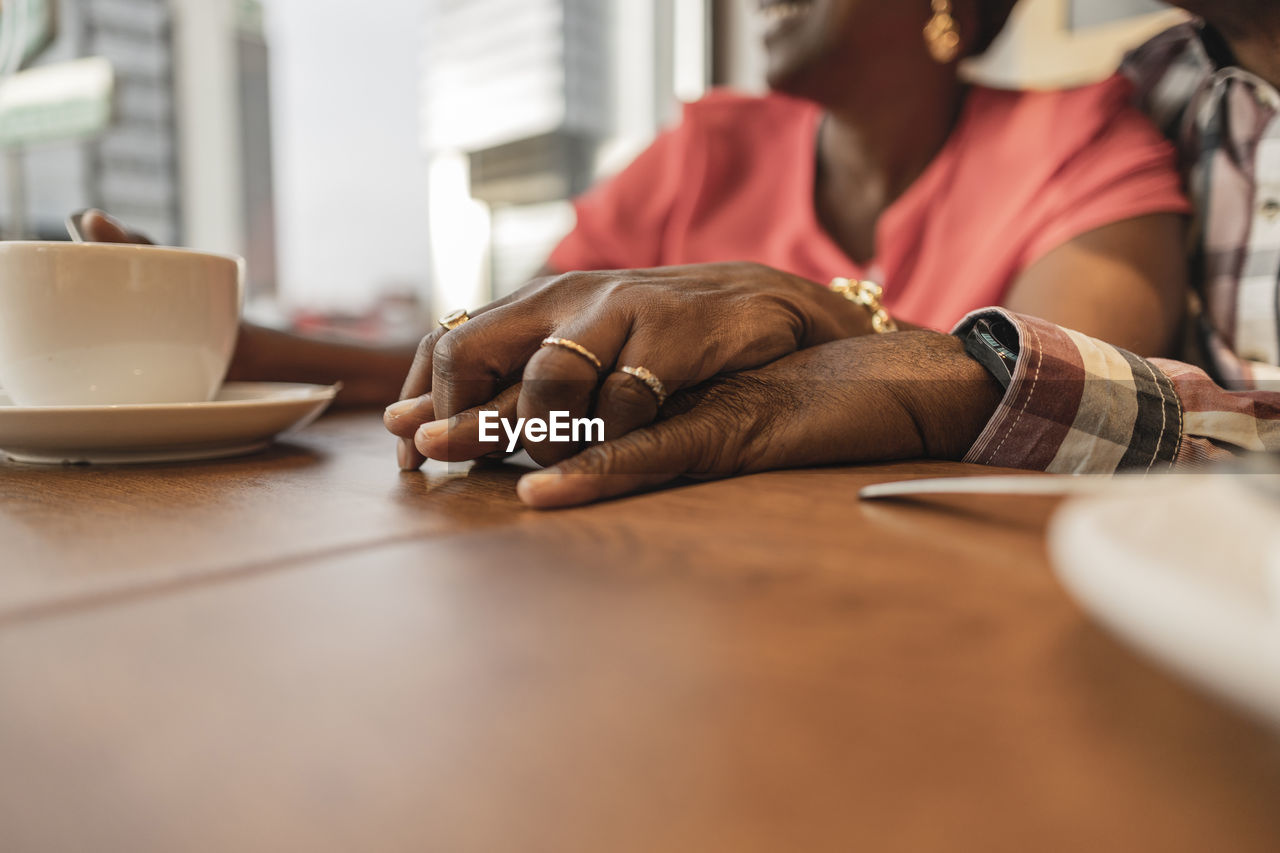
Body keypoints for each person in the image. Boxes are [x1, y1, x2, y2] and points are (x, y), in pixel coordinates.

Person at [403, 0, 1279, 509]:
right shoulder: (705, 144)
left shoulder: (1093, 130)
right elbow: (512, 356)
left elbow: (1074, 396)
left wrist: (829, 312)